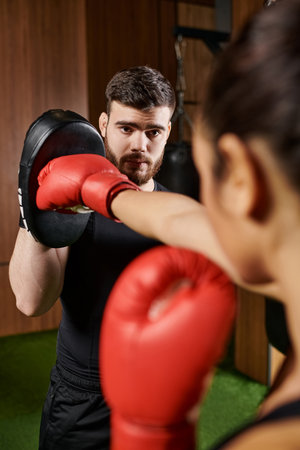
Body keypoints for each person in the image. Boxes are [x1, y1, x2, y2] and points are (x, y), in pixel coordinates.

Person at [31, 0, 300, 447]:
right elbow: (180, 220)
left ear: (240, 178)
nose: (141, 144)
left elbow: (188, 220)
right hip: (75, 396)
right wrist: (102, 190)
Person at [8, 66, 176, 450]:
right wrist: (32, 212)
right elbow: (31, 302)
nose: (140, 145)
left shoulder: (174, 211)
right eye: (126, 128)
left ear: (168, 132)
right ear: (103, 123)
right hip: (85, 402)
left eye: (153, 132)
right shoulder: (72, 203)